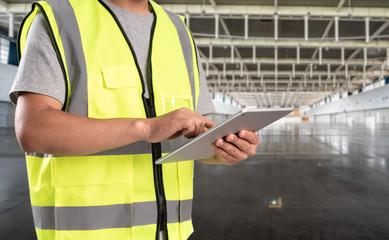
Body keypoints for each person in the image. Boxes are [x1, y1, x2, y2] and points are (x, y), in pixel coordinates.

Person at [9, 0, 260, 239]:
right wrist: (146, 128)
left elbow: (192, 132)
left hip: (170, 233)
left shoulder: (178, 31)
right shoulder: (60, 20)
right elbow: (33, 130)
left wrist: (221, 149)